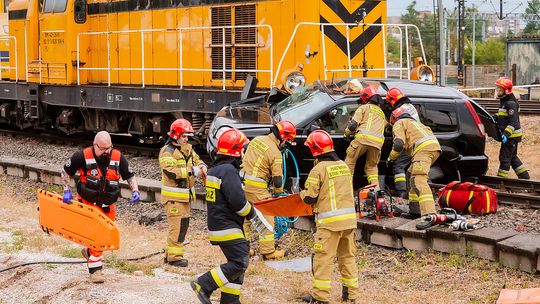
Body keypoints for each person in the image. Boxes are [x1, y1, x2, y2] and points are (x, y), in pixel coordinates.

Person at [191, 128, 268, 304]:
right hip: (227, 226)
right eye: (242, 149)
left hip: (220, 224)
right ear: (235, 150)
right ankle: (203, 284)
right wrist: (252, 213)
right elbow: (238, 203)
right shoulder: (228, 171)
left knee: (235, 263)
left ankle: (230, 300)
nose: (243, 153)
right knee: (240, 262)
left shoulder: (216, 169)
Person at [61, 130, 140, 283]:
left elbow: (129, 175)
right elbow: (65, 172)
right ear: (94, 145)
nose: (106, 151)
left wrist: (135, 190)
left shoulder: (117, 157)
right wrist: (66, 191)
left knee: (104, 235)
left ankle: (90, 252)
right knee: (97, 235)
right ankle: (95, 271)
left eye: (109, 148)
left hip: (107, 205)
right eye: (103, 148)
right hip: (88, 204)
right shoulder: (81, 156)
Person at [299, 130, 358, 304]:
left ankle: (320, 298)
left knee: (322, 260)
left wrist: (300, 194)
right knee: (347, 258)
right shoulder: (343, 166)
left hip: (329, 225)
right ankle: (350, 296)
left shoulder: (318, 170)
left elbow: (310, 197)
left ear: (315, 150)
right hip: (349, 222)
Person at [240, 120, 296, 260]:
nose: (287, 144)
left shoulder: (257, 139)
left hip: (242, 183)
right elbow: (277, 180)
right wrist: (278, 195)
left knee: (245, 218)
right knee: (267, 219)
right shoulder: (275, 153)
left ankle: (243, 249)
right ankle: (268, 252)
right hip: (257, 189)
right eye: (288, 141)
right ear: (283, 137)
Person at [386, 87, 441, 219]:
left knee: (418, 180)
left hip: (423, 150)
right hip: (431, 147)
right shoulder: (412, 120)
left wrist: (390, 158)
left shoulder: (399, 123)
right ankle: (415, 210)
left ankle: (429, 214)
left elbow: (399, 144)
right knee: (411, 174)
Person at [159, 118, 207, 267]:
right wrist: (193, 171)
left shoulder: (187, 149)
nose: (187, 139)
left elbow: (197, 160)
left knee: (182, 225)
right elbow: (171, 173)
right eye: (184, 136)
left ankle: (171, 254)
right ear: (176, 135)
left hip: (184, 197)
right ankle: (174, 257)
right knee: (177, 227)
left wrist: (202, 166)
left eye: (187, 136)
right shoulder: (167, 152)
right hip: (174, 198)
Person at [343, 85, 387, 188]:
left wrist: (346, 134)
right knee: (372, 167)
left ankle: (346, 189)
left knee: (349, 162)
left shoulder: (363, 108)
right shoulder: (382, 113)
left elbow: (353, 125)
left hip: (362, 140)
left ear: (365, 98)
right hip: (377, 144)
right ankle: (375, 190)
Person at [386, 90, 421, 199]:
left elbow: (395, 128)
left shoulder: (398, 111)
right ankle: (411, 189)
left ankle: (401, 191)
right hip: (418, 139)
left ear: (393, 100)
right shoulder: (411, 106)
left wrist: (391, 158)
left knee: (399, 166)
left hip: (408, 141)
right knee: (414, 168)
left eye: (389, 101)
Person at [494, 77, 530, 179]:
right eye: (497, 89)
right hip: (511, 136)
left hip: (511, 136)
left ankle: (501, 181)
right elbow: (503, 115)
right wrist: (496, 117)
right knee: (513, 158)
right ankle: (525, 178)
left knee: (505, 158)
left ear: (506, 91)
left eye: (500, 89)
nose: (498, 91)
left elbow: (513, 122)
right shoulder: (505, 102)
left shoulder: (510, 104)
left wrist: (506, 134)